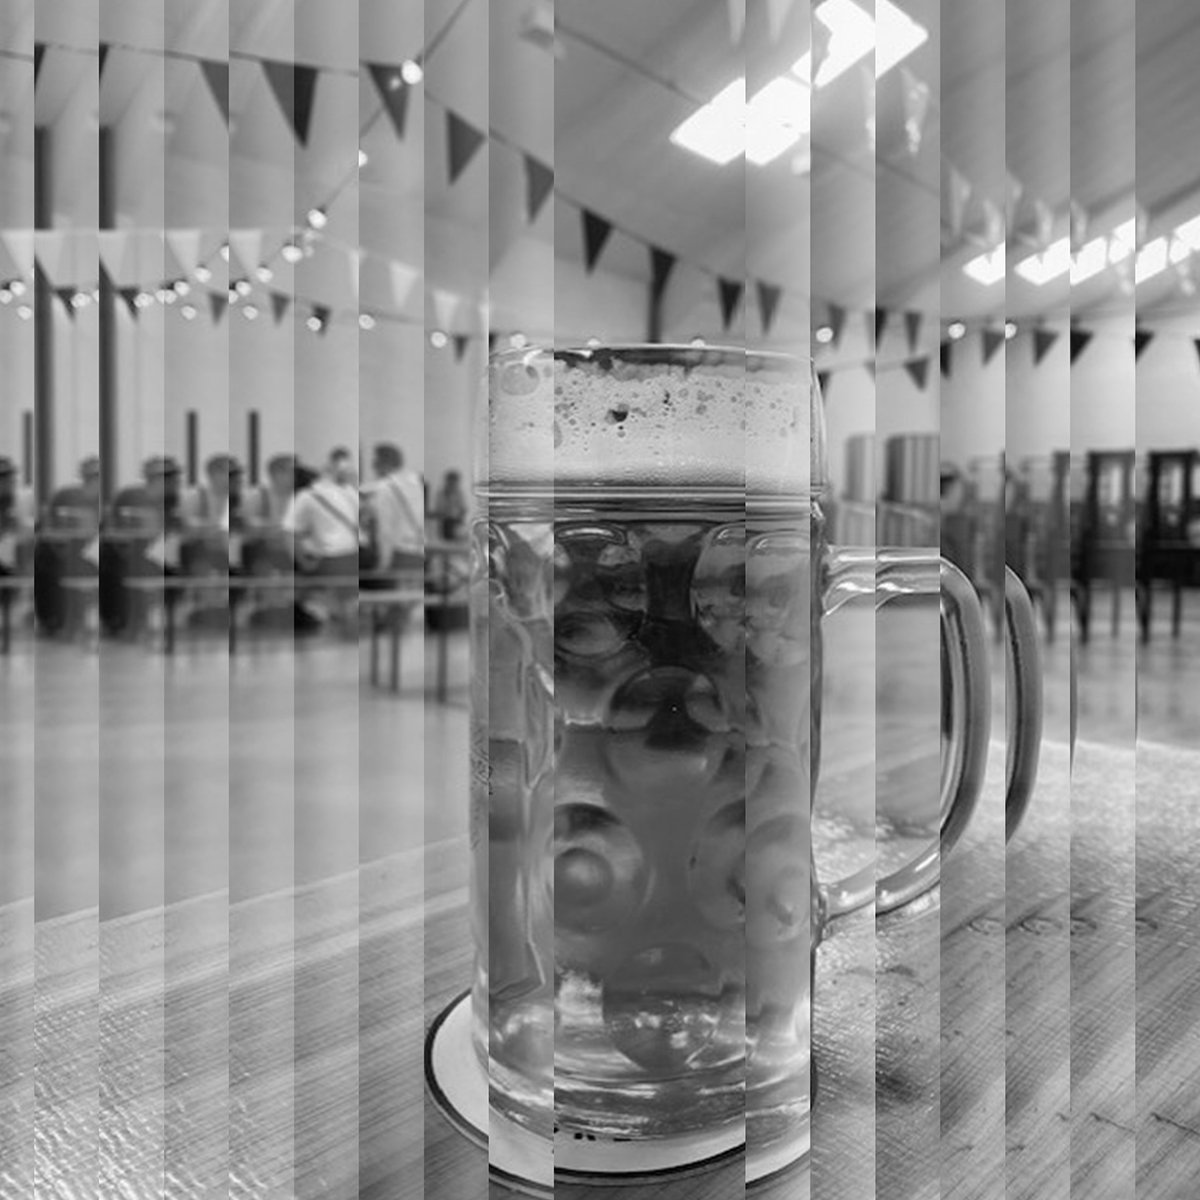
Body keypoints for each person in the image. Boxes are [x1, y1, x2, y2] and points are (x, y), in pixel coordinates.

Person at [282, 447, 361, 633]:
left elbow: (288, 534)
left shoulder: (305, 497)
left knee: (302, 584)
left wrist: (302, 561)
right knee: (346, 601)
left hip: (331, 559)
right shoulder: (348, 492)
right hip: (354, 555)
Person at [363, 443, 425, 571]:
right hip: (419, 551)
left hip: (399, 554)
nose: (373, 467)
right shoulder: (416, 482)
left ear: (382, 464)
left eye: (375, 463)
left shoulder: (384, 488)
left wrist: (383, 564)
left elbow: (385, 530)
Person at [434, 469, 468, 541]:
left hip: (457, 523)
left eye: (454, 482)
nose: (452, 484)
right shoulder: (441, 493)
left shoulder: (460, 494)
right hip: (445, 523)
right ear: (447, 481)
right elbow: (438, 510)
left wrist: (459, 516)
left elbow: (464, 509)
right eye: (450, 482)